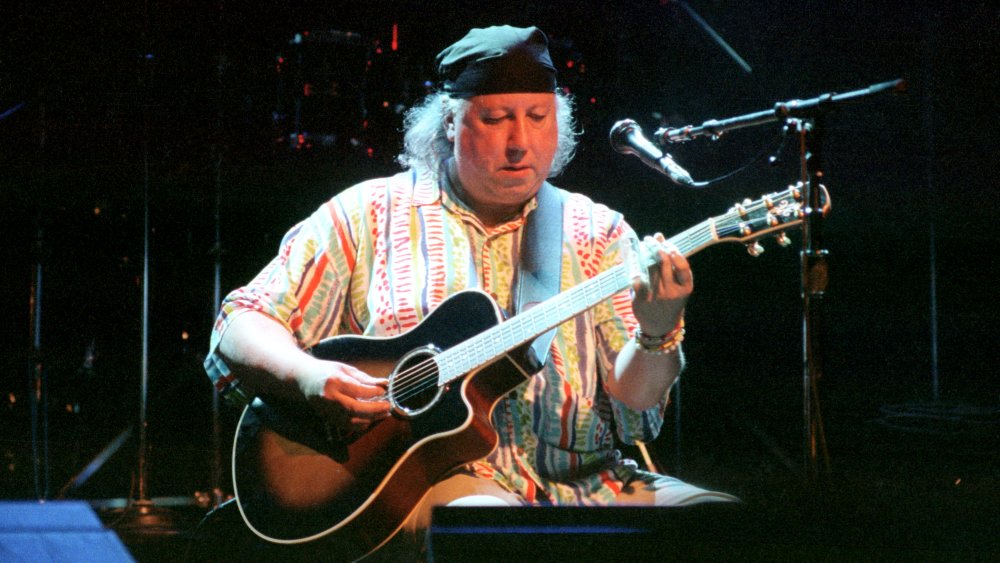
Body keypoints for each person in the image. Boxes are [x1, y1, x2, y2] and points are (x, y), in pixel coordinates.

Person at [204, 24, 735, 559]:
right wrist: (308, 375)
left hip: (591, 487)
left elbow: (636, 403)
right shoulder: (367, 215)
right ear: (451, 122)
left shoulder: (599, 233)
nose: (520, 142)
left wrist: (658, 328)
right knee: (494, 535)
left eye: (538, 118)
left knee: (725, 527)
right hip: (439, 487)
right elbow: (241, 321)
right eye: (496, 118)